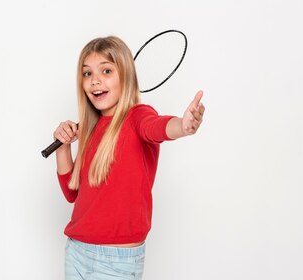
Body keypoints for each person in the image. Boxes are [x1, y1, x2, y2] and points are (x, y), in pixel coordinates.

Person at [52, 36, 205, 279]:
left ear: (125, 75)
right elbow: (72, 194)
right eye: (87, 73)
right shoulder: (91, 128)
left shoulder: (138, 117)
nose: (95, 81)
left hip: (116, 262)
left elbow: (158, 127)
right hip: (77, 251)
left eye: (106, 70)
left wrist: (182, 125)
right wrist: (63, 148)